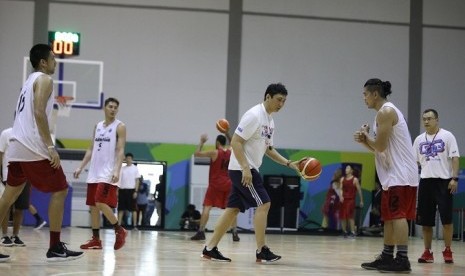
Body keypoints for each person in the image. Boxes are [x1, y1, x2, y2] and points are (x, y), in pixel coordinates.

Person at [201, 83, 302, 263]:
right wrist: (246, 168)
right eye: (279, 100)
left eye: (284, 101)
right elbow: (236, 142)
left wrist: (288, 163)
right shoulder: (254, 115)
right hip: (243, 169)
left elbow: (269, 149)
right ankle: (261, 250)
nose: (281, 104)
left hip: (244, 168)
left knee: (232, 210)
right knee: (264, 203)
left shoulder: (270, 120)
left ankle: (209, 248)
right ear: (268, 97)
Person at [0, 44, 83, 262]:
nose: (56, 61)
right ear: (43, 62)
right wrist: (50, 146)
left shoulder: (28, 82)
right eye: (53, 58)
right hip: (32, 146)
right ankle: (55, 246)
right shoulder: (45, 79)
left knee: (8, 197)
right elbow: (38, 112)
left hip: (17, 145)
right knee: (61, 190)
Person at [354, 78, 418, 273]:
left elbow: (380, 145)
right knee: (389, 217)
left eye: (365, 94)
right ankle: (387, 256)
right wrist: (365, 141)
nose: (363, 98)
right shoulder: (380, 116)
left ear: (375, 94)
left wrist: (368, 138)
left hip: (401, 175)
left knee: (398, 216)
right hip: (392, 175)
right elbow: (380, 150)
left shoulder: (386, 112)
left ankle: (403, 259)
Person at [73, 97, 127, 251]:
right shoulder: (97, 126)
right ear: (104, 108)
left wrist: (117, 169)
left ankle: (119, 229)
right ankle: (96, 240)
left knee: (100, 202)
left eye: (115, 107)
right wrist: (81, 166)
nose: (113, 109)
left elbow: (120, 149)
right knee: (93, 206)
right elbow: (91, 148)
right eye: (110, 106)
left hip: (108, 172)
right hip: (94, 171)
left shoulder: (120, 126)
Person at [413, 109, 460, 264]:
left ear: (437, 120)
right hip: (426, 182)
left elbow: (454, 158)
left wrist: (454, 178)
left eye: (429, 118)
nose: (426, 121)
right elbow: (415, 162)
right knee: (426, 221)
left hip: (444, 182)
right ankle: (427, 252)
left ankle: (447, 250)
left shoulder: (447, 136)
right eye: (424, 119)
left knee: (446, 220)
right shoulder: (419, 139)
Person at [190, 134, 240, 242]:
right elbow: (235, 143)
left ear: (217, 143)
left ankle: (201, 232)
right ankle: (235, 233)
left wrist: (202, 142)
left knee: (207, 207)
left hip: (215, 184)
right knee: (231, 209)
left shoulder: (215, 152)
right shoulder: (230, 152)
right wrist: (227, 132)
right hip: (228, 184)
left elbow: (196, 154)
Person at [0, 127, 27, 247]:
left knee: (20, 207)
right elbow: (1, 153)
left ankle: (15, 235)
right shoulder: (6, 133)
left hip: (26, 175)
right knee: (7, 205)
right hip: (8, 175)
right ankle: (4, 235)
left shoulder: (29, 134)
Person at [339, 165, 364, 238]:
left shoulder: (355, 179)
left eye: (348, 168)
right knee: (343, 216)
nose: (346, 169)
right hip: (344, 200)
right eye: (346, 168)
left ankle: (353, 232)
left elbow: (359, 190)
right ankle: (344, 232)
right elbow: (341, 189)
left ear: (351, 170)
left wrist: (361, 200)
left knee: (350, 216)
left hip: (351, 200)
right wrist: (341, 196)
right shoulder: (342, 179)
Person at [117, 153, 140, 229]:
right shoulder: (122, 169)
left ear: (132, 159)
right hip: (122, 190)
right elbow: (119, 180)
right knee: (121, 208)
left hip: (131, 191)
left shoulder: (135, 168)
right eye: (127, 158)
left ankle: (135, 226)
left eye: (130, 158)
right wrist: (117, 190)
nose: (128, 160)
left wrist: (136, 191)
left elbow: (137, 180)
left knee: (133, 209)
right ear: (125, 159)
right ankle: (118, 225)